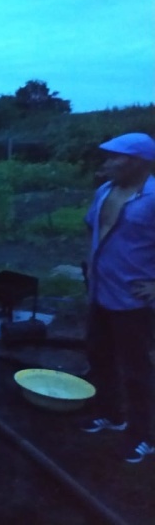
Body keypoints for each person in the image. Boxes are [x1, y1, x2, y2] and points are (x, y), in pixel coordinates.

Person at [81, 132, 155, 464]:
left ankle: (144, 435)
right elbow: (92, 229)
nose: (108, 163)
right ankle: (111, 414)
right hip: (100, 292)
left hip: (133, 301)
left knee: (136, 370)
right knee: (100, 357)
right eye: (108, 156)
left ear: (140, 162)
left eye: (116, 157)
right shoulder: (104, 191)